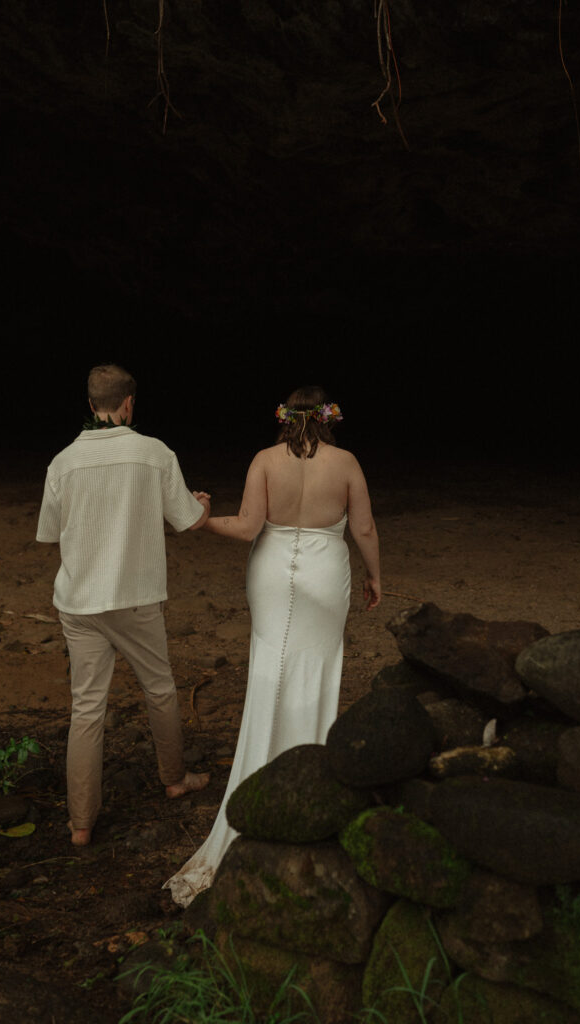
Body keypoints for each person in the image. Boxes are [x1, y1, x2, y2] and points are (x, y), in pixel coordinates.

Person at [164, 385, 380, 906]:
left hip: (270, 569)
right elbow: (365, 527)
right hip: (326, 573)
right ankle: (312, 782)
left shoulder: (264, 460)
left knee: (270, 668)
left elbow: (246, 528)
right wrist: (376, 576)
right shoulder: (346, 462)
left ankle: (260, 774)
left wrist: (199, 521)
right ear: (330, 418)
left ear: (284, 418)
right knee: (319, 670)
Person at [36, 364, 212, 847]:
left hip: (79, 601)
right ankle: (174, 779)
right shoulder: (154, 453)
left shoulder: (63, 462)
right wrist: (202, 506)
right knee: (159, 688)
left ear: (90, 405)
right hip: (134, 599)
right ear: (128, 403)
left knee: (86, 709)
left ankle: (80, 824)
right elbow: (189, 521)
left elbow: (49, 532)